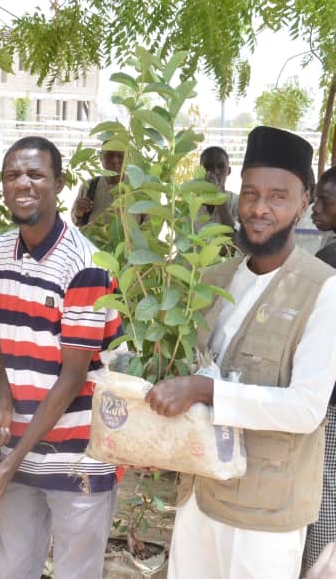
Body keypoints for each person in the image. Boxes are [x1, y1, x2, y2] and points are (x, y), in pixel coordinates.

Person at [145, 126, 336, 579]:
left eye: (277, 195)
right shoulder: (214, 278)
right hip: (199, 496)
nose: (259, 208)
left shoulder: (324, 289)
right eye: (250, 193)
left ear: (303, 201)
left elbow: (306, 409)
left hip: (266, 516)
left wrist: (204, 390)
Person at [0, 136, 123, 578]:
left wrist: (11, 460)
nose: (22, 183)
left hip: (78, 452)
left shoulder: (84, 263)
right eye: (12, 175)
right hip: (20, 445)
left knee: (75, 572)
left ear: (59, 184)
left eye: (35, 174)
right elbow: (5, 335)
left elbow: (73, 374)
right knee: (14, 569)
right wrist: (4, 401)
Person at [304, 165, 336, 572]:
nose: (315, 207)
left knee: (326, 487)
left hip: (331, 397)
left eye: (326, 202)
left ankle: (318, 567)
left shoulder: (330, 257)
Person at [71, 143, 125, 227]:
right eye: (109, 155)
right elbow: (76, 220)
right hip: (91, 239)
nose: (115, 160)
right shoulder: (89, 185)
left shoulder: (137, 188)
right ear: (101, 157)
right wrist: (78, 212)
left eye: (120, 156)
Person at [198, 146, 239, 230]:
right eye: (208, 166)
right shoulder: (190, 204)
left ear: (229, 171)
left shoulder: (238, 202)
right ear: (200, 171)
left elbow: (238, 240)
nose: (215, 171)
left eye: (221, 166)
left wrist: (219, 198)